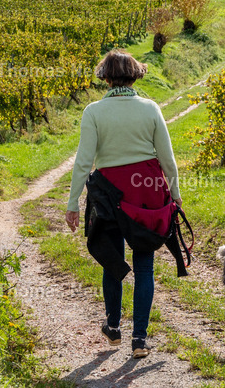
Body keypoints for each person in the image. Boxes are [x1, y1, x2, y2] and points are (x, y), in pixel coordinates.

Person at [65, 49, 182, 359]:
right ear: (135, 75)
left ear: (105, 77)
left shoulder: (93, 112)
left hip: (108, 193)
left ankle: (114, 327)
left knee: (112, 261)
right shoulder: (151, 108)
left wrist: (73, 202)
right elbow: (167, 158)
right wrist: (176, 193)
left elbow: (83, 161)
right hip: (147, 191)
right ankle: (140, 339)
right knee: (145, 266)